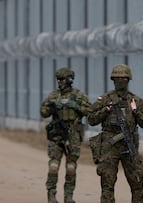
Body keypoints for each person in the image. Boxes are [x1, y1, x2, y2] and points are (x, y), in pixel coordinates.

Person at [88, 64, 143, 203]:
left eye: (123, 78)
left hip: (129, 146)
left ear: (128, 79)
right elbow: (91, 120)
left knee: (137, 182)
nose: (120, 81)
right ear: (113, 80)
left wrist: (136, 111)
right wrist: (105, 110)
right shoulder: (105, 99)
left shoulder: (135, 101)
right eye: (117, 78)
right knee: (107, 182)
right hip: (109, 146)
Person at [40, 67, 91, 203]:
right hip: (57, 135)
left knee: (71, 167)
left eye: (62, 79)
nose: (60, 82)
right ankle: (51, 195)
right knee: (54, 165)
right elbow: (43, 112)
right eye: (58, 79)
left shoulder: (79, 95)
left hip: (73, 134)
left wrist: (75, 106)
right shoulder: (53, 96)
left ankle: (68, 196)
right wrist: (52, 107)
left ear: (70, 80)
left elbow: (90, 111)